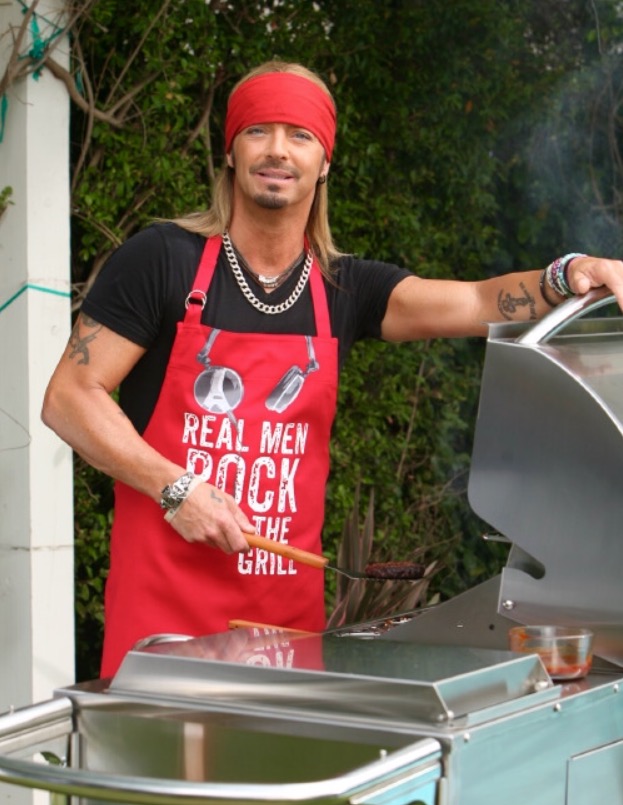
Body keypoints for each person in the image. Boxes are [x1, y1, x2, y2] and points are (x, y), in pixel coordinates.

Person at [42, 60, 623, 679]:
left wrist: (567, 273)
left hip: (285, 629)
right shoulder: (161, 261)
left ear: (324, 162)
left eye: (299, 135)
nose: (277, 150)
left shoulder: (344, 289)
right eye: (257, 130)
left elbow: (478, 301)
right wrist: (176, 488)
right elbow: (69, 398)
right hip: (163, 621)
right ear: (231, 153)